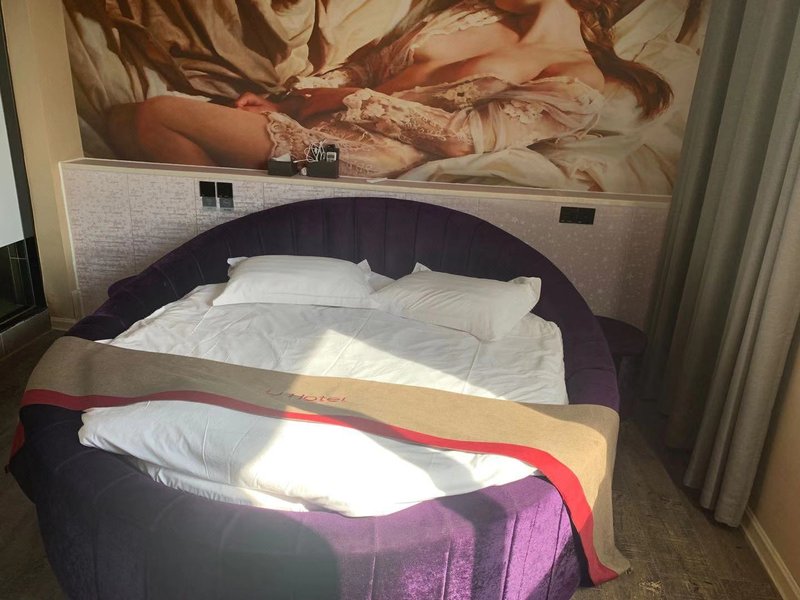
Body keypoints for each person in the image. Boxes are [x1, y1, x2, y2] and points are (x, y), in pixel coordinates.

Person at [107, 0, 672, 178]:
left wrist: (348, 102)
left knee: (157, 116)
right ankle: (254, 198)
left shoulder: (576, 80)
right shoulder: (470, 15)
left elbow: (460, 139)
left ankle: (228, 222)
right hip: (314, 121)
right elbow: (368, 68)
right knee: (120, 120)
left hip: (359, 156)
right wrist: (289, 99)